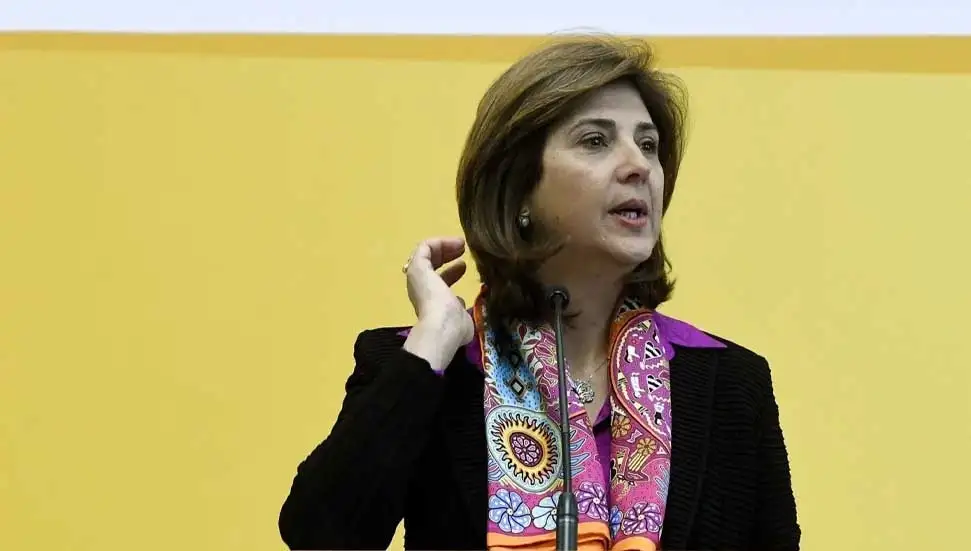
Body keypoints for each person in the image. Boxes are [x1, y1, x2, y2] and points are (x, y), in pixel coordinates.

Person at [278, 35, 800, 551]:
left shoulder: (732, 383)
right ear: (518, 188)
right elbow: (321, 535)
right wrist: (433, 339)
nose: (639, 166)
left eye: (648, 145)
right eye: (595, 141)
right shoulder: (427, 368)